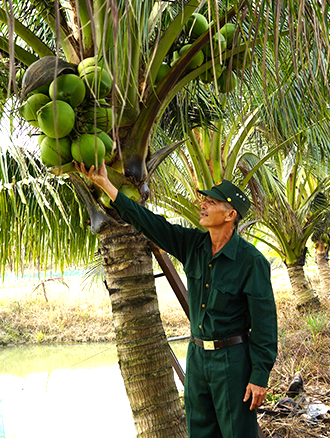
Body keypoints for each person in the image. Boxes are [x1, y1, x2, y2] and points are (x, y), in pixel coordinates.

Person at [75, 162, 278, 438]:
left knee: (237, 433)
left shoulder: (251, 262)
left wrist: (258, 377)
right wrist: (106, 185)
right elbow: (150, 223)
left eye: (211, 202)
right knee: (200, 431)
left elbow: (265, 327)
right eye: (204, 199)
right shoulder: (193, 245)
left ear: (230, 214)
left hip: (232, 361)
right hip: (197, 357)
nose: (203, 205)